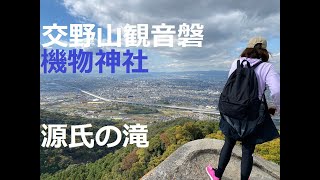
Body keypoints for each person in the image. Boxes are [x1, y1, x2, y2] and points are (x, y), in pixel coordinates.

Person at [205, 36, 280, 180]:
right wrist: (277, 108)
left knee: (229, 142)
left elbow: (231, 86)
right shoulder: (267, 67)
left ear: (248, 48)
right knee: (247, 149)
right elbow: (276, 90)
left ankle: (218, 174)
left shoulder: (237, 62)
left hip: (232, 110)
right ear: (265, 51)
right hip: (252, 113)